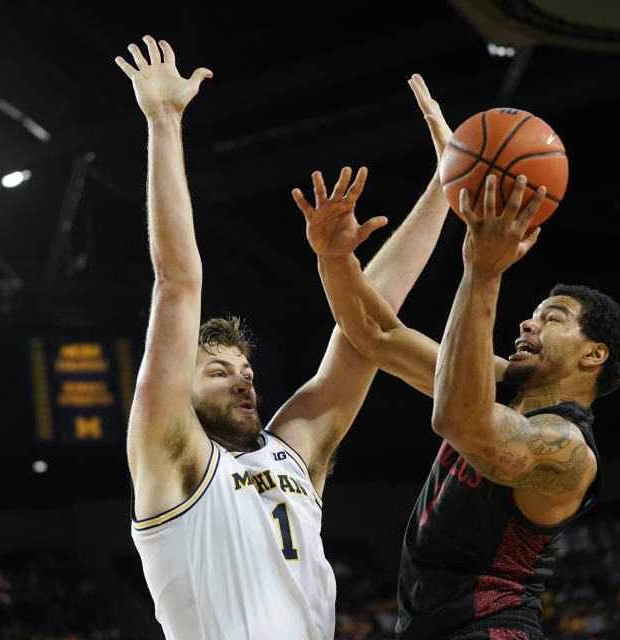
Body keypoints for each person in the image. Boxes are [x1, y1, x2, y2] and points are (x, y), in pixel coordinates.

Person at [115, 35, 459, 640]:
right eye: (217, 371)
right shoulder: (172, 456)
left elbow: (365, 331)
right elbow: (177, 281)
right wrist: (165, 122)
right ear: (180, 392)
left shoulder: (290, 452)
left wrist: (444, 185)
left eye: (244, 371)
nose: (243, 379)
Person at [297, 167, 620, 638]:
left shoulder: (569, 450)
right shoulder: (497, 385)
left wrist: (482, 271)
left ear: (593, 355)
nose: (527, 324)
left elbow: (460, 420)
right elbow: (377, 334)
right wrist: (335, 259)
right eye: (534, 314)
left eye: (553, 318)